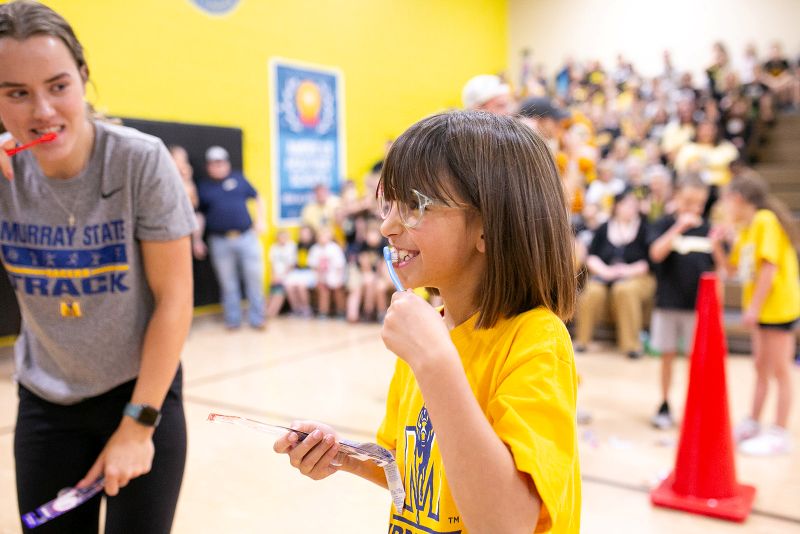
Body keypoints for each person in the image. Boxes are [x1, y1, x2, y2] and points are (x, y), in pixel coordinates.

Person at [273, 111, 580, 533]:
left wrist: (435, 361)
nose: (387, 226)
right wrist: (344, 455)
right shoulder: (431, 332)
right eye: (389, 205)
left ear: (488, 226)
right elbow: (413, 470)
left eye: (414, 206)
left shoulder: (536, 341)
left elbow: (506, 524)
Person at [0, 2, 195, 532]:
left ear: (83, 78)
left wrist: (138, 424)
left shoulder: (139, 160)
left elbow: (175, 299)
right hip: (46, 399)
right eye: (16, 93)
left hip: (141, 391)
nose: (42, 110)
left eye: (58, 86)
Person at [714, 172, 799, 456]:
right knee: (760, 366)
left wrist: (753, 308)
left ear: (737, 199)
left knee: (780, 370)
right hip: (762, 309)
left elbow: (769, 268)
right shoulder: (747, 228)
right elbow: (731, 271)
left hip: (778, 308)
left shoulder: (765, 221)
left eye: (727, 200)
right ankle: (753, 421)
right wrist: (717, 245)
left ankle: (779, 433)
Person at [647, 175, 714, 429]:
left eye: (699, 204)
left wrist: (719, 243)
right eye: (688, 202)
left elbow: (721, 268)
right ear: (676, 198)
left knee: (696, 360)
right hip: (668, 303)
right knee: (667, 355)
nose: (693, 208)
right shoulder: (664, 224)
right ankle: (665, 404)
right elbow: (655, 253)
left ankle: (694, 407)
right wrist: (678, 228)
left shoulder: (708, 229)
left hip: (697, 307)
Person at [575, 188, 655, 358]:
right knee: (591, 292)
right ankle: (582, 341)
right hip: (605, 275)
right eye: (627, 204)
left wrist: (626, 271)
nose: (631, 208)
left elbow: (649, 261)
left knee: (624, 290)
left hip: (635, 276)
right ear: (617, 206)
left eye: (634, 205)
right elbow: (591, 256)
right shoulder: (604, 228)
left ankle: (631, 346)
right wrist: (606, 271)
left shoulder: (644, 228)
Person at [197, 145, 267, 330]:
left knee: (254, 279)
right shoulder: (204, 187)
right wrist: (197, 240)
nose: (218, 166)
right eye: (214, 163)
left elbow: (258, 197)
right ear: (208, 166)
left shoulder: (239, 179)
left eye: (220, 162)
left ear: (227, 163)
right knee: (228, 283)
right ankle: (233, 320)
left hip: (246, 237)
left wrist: (261, 220)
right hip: (219, 241)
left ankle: (258, 318)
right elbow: (200, 215)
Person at [266, 229, 297, 318]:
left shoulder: (292, 246)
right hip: (276, 276)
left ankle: (270, 313)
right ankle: (265, 312)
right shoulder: (274, 248)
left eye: (284, 237)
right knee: (271, 294)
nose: (282, 239)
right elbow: (272, 265)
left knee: (279, 293)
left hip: (288, 276)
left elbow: (291, 265)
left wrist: (281, 277)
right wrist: (273, 276)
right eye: (280, 237)